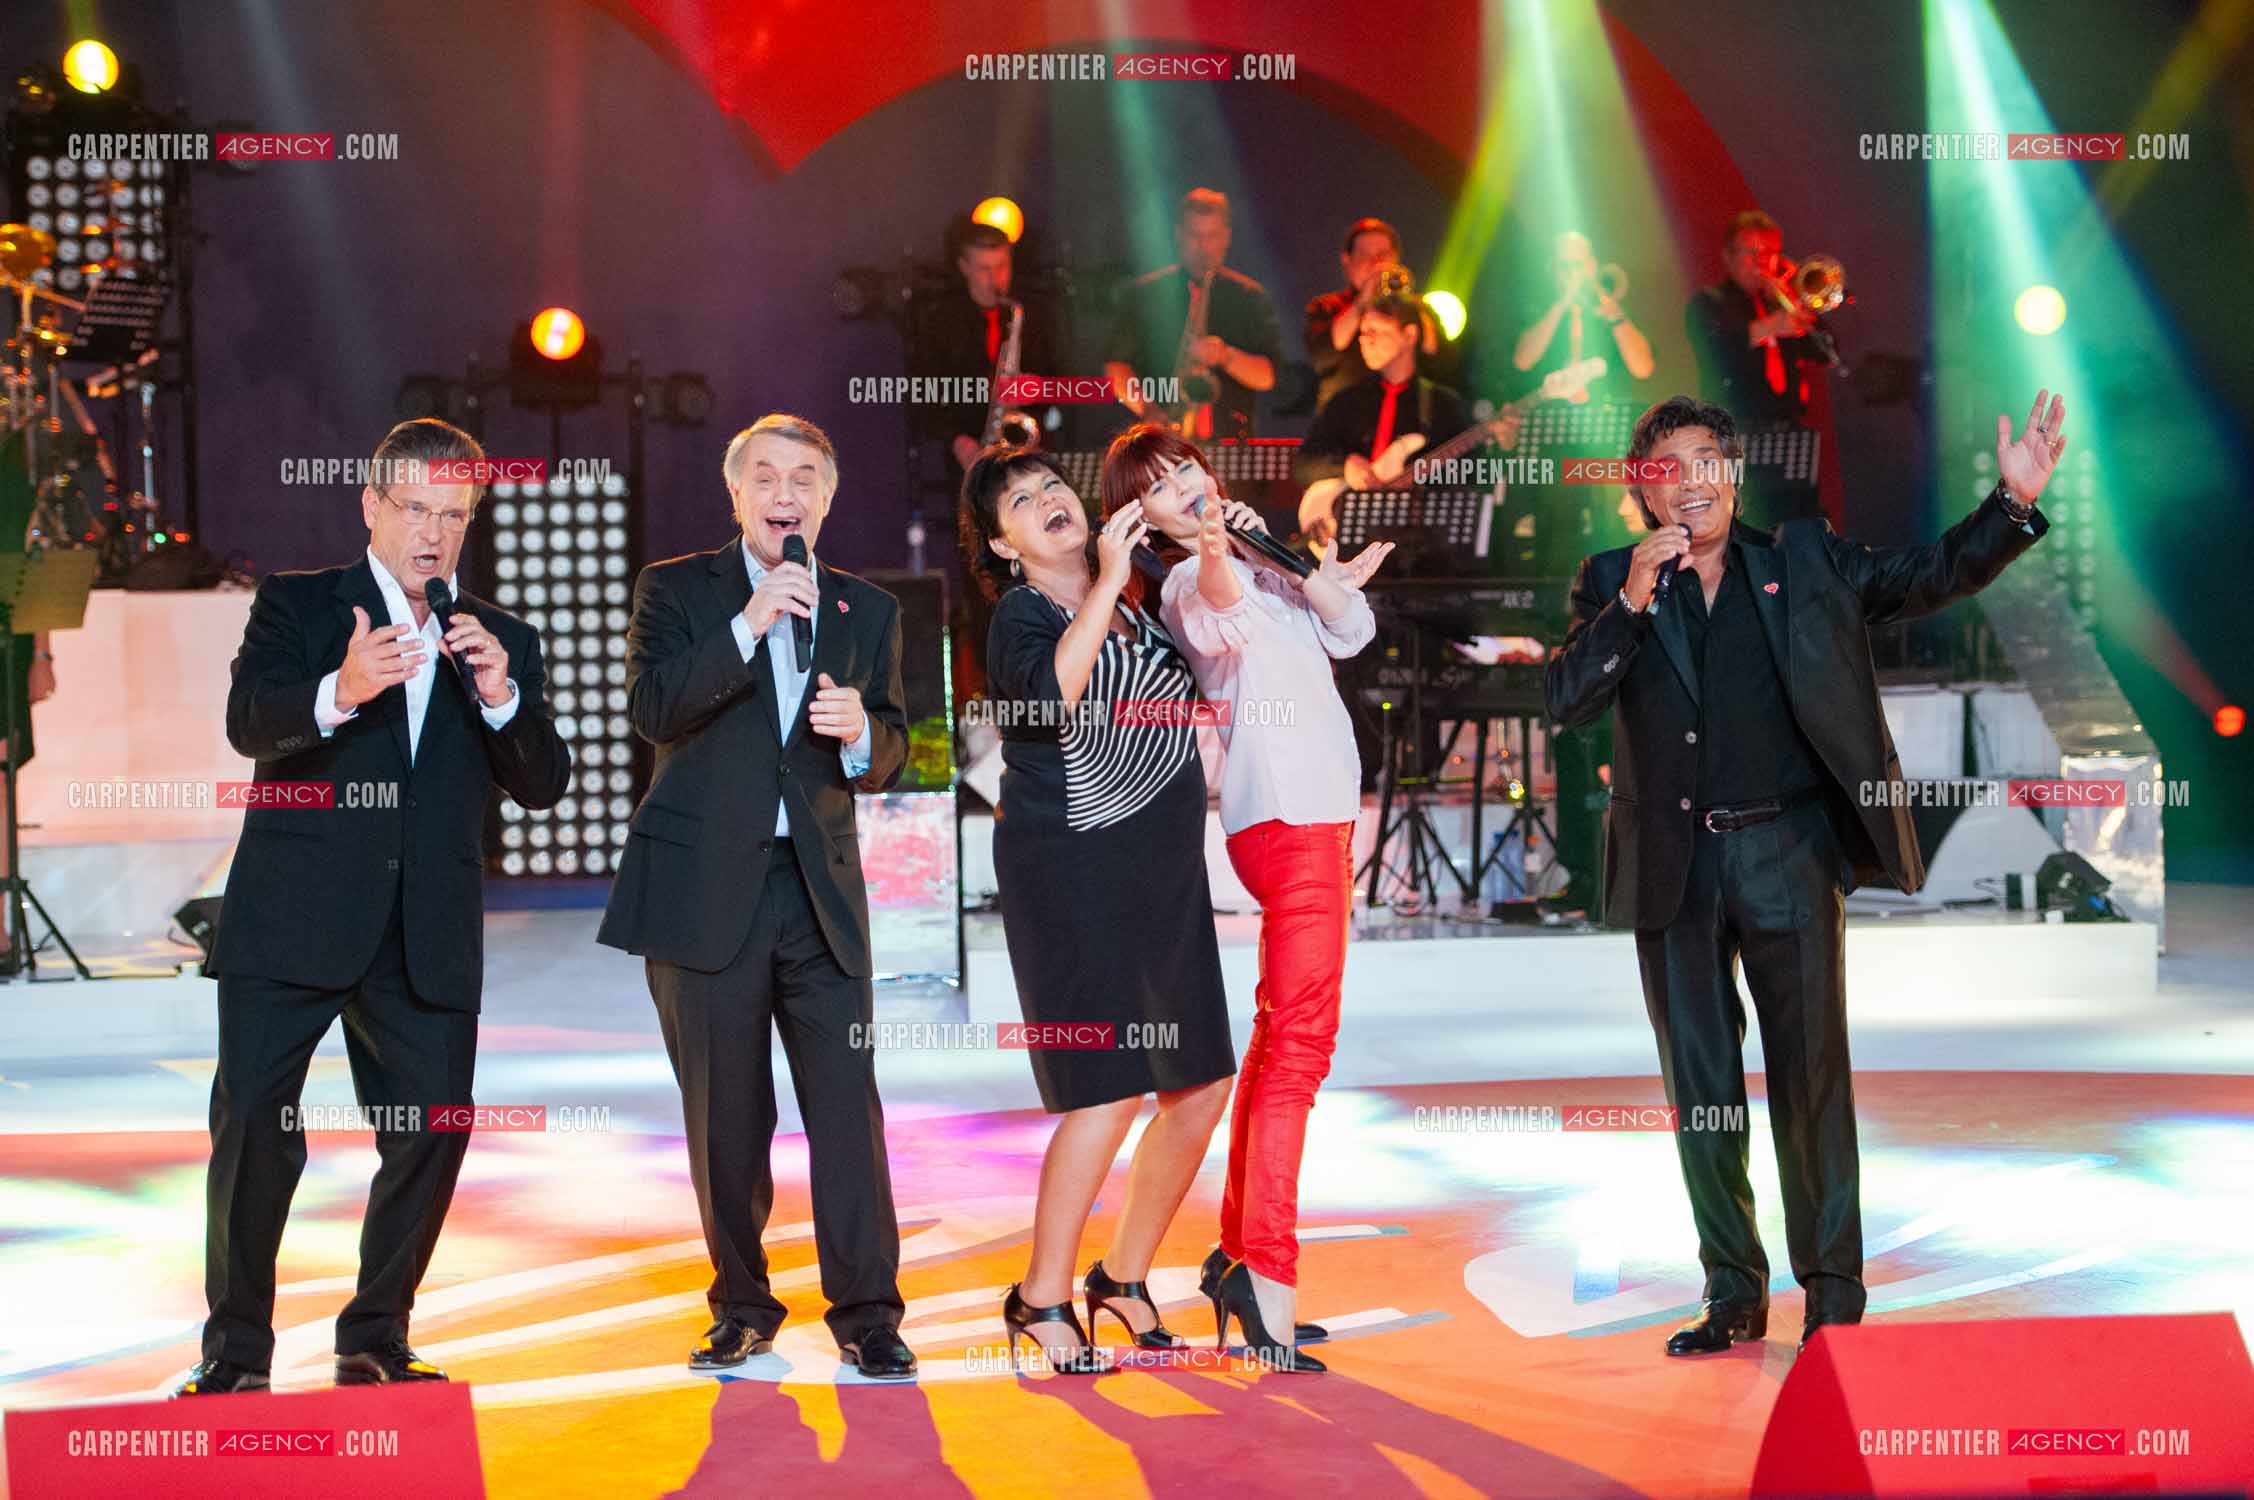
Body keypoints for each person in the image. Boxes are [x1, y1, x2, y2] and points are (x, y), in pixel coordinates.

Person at [1544, 390, 2066, 1356]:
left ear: (1732, 475)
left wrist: (2011, 503)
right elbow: (1567, 696)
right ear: (1640, 490)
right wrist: (1628, 603)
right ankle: (1732, 1291)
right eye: (1665, 469)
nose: (1687, 483)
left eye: (1705, 461)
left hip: (1786, 849)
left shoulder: (1804, 560)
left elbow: (1931, 574)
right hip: (1677, 866)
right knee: (1700, 1085)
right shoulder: (1612, 580)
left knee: (1811, 1077)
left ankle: (1833, 1296)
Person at [177, 418, 572, 1396]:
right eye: (416, 510)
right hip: (293, 915)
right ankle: (234, 1352)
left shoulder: (498, 637)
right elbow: (247, 723)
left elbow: (543, 785)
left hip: (424, 930)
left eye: (454, 515)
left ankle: (375, 1333)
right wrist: (339, 691)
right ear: (370, 505)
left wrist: (504, 699)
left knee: (434, 1125)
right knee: (258, 1126)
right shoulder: (303, 605)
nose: (433, 533)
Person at [597, 414, 918, 1381]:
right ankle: (742, 1306)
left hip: (819, 896)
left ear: (828, 498)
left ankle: (868, 1313)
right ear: (735, 494)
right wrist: (751, 624)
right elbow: (653, 709)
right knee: (727, 1119)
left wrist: (865, 734)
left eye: (805, 478)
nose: (786, 493)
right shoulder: (677, 589)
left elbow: (902, 747)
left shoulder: (867, 609)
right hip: (704, 893)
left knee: (845, 1112)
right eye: (767, 476)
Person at [1109, 423, 1393, 1371]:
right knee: (1298, 1054)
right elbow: (1220, 610)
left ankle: (1238, 1259)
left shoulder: (1258, 557)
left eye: (1184, 466)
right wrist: (1231, 552)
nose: (1181, 486)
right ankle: (1267, 1277)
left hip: (1320, 818)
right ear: (1142, 520)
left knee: (1282, 1037)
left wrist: (1304, 566)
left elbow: (1350, 633)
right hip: (1286, 825)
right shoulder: (1191, 580)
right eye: (1157, 486)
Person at [958, 442, 1236, 1374]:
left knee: (1201, 1087)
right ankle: (1039, 1297)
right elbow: (1043, 704)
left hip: (1163, 873)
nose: (1047, 502)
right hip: (1072, 875)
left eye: (1051, 487)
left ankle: (1121, 1278)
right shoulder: (1023, 618)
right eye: (1021, 502)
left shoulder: (1143, 589)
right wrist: (1109, 578)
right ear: (1004, 546)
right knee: (1108, 1087)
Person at [1293, 290, 1479, 552]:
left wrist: (1502, 446)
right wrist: (1344, 467)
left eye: (1377, 331)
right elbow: (1302, 464)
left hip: (1414, 550)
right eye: (1363, 331)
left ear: (1410, 335)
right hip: (1347, 544)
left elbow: (1474, 474)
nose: (1365, 340)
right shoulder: (1346, 401)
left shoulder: (1443, 405)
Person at [1105, 188, 1283, 441]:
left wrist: (1226, 356)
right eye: (1195, 235)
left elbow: (1267, 377)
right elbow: (1116, 366)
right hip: (1159, 438)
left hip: (1228, 441)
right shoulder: (1145, 294)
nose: (1204, 247)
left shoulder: (1250, 297)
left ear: (1227, 237)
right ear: (1178, 234)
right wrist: (1148, 409)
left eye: (1212, 235)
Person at [911, 219, 1057, 482]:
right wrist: (957, 441)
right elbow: (922, 394)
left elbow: (1059, 377)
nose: (995, 279)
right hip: (970, 449)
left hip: (1025, 448)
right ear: (964, 267)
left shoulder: (1029, 313)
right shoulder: (941, 321)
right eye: (984, 269)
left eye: (1002, 267)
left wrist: (1038, 387)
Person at [1684, 211, 1820, 427]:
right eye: (1752, 252)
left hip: (1787, 425)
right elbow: (1718, 348)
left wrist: (1794, 300)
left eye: (1770, 253)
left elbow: (1822, 352)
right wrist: (1772, 325)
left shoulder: (1779, 304)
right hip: (1731, 425)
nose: (1762, 262)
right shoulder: (1709, 302)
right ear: (1729, 256)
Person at [1302, 217, 1439, 418]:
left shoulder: (1418, 307)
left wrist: (1409, 303)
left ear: (1396, 258)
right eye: (1365, 255)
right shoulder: (1326, 307)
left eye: (1383, 255)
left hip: (1406, 418)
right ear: (1347, 261)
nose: (1376, 263)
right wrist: (1363, 300)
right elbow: (1321, 357)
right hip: (1344, 423)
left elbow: (1439, 357)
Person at [1512, 230, 1656, 404]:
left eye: (1578, 265)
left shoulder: (1612, 307)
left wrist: (1614, 314)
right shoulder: (1539, 308)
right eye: (1565, 266)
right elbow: (1522, 361)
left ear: (1592, 266)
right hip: (1554, 415)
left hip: (1604, 414)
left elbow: (1643, 369)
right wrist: (1562, 304)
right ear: (1554, 270)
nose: (1573, 274)